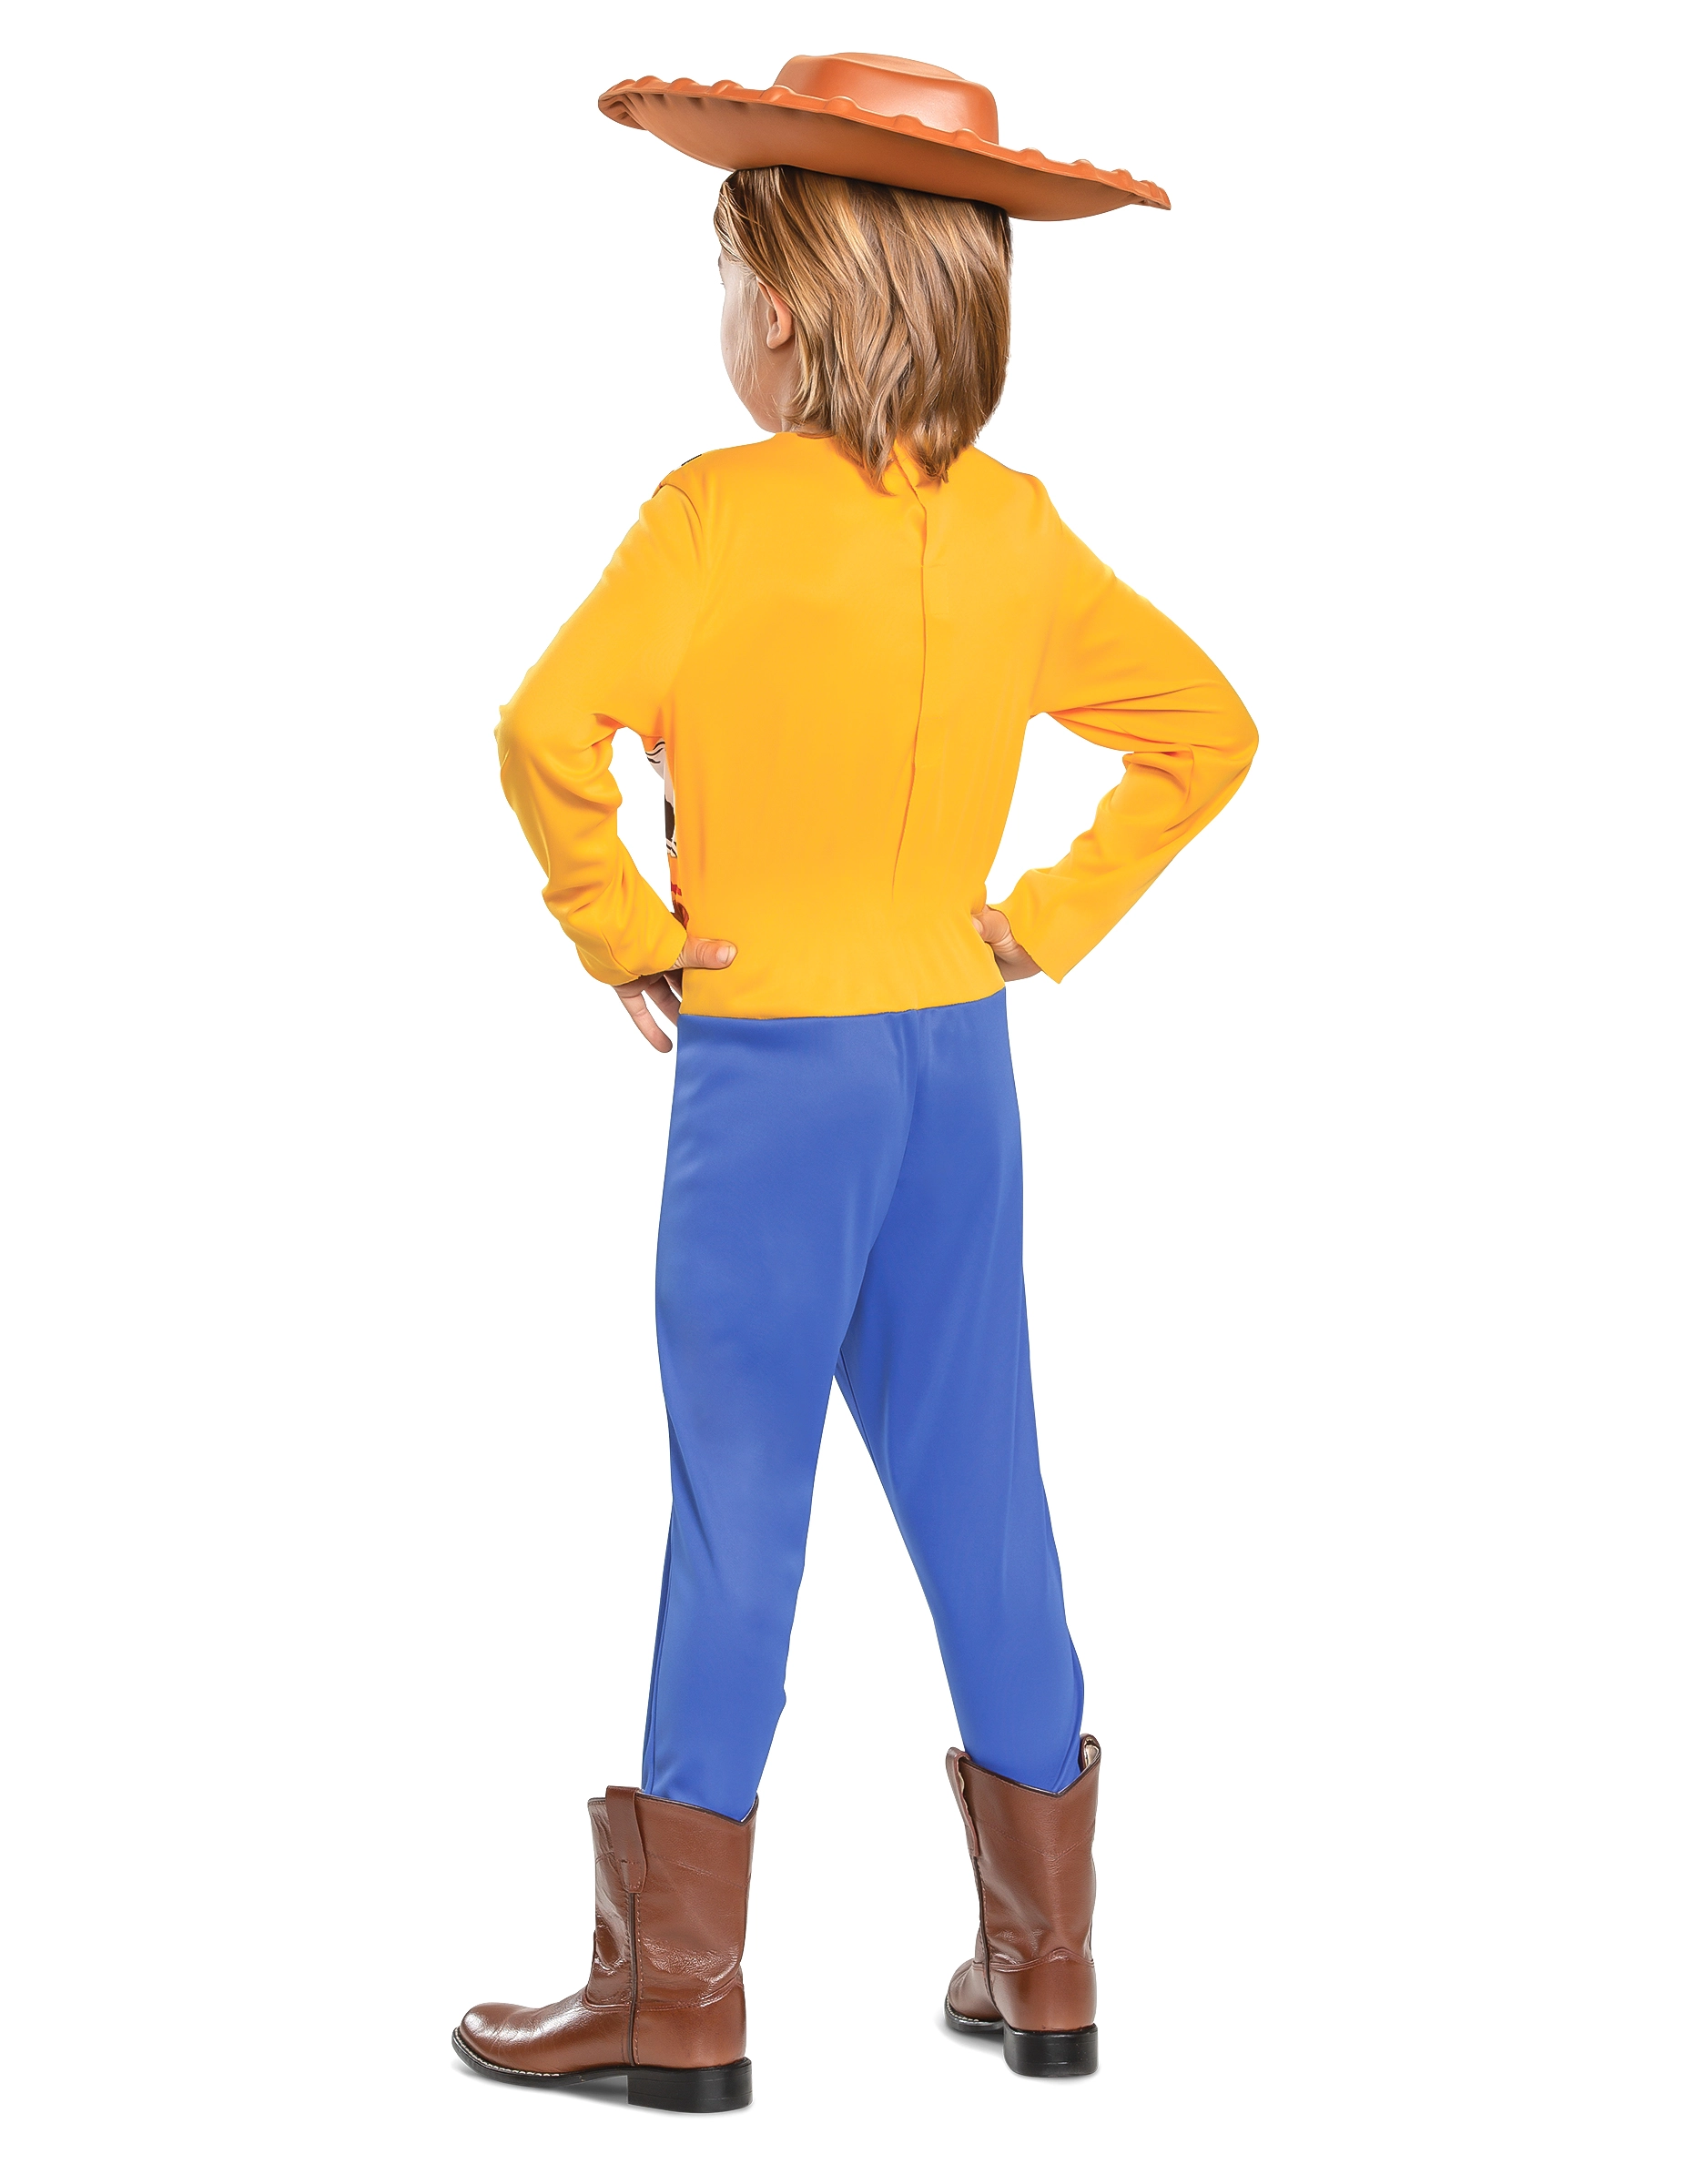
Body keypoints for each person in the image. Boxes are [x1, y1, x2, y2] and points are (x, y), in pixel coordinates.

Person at [453, 52, 1256, 2113]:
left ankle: (677, 1995)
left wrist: (623, 927)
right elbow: (1207, 732)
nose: (723, 322)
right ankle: (1048, 1967)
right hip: (955, 1064)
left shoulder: (714, 514)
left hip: (775, 1074)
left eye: (726, 283)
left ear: (787, 307)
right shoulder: (1015, 530)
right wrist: (1039, 919)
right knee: (984, 1487)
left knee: (742, 1510)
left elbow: (543, 729)